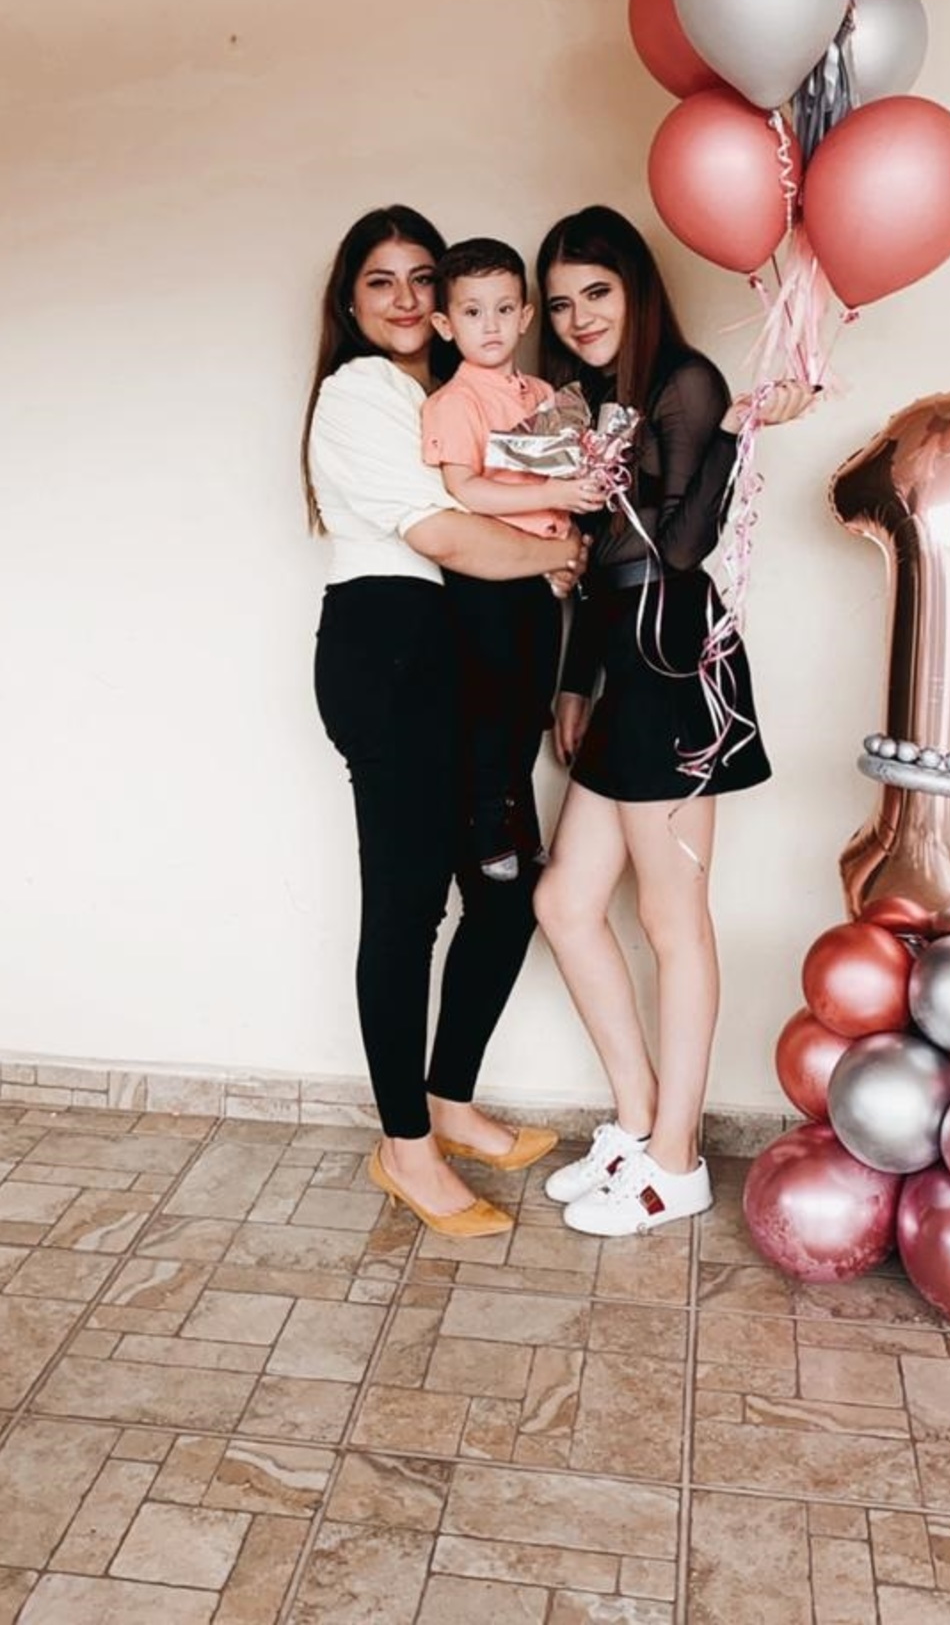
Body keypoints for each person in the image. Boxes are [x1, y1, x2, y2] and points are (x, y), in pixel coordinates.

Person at [304, 205, 584, 1240]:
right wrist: (556, 554)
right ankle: (405, 1145)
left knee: (505, 887)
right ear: (349, 301)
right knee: (408, 906)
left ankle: (449, 1097)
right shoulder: (358, 391)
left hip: (461, 660)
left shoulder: (454, 394)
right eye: (380, 280)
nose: (406, 297)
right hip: (387, 651)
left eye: (422, 276)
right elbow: (448, 536)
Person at [531, 205, 812, 1237]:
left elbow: (681, 549)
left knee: (670, 921)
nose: (577, 317)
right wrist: (573, 684)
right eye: (560, 303)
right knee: (566, 902)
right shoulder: (592, 405)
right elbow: (593, 568)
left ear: (635, 288)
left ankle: (677, 1162)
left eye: (595, 292)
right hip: (619, 667)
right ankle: (641, 1121)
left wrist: (734, 432)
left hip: (675, 667)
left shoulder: (684, 383)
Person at [421, 236, 604, 883]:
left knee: (530, 703)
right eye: (472, 313)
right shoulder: (455, 402)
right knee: (494, 702)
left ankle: (518, 829)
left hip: (541, 580)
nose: (491, 326)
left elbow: (568, 476)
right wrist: (556, 497)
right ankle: (488, 826)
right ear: (445, 324)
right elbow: (465, 489)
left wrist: (569, 543)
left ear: (526, 316)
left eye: (504, 310)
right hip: (488, 577)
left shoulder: (545, 394)